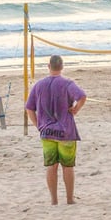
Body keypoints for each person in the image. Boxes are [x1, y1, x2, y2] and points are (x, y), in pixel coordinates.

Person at [25, 55, 87, 205]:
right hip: (66, 131)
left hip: (47, 131)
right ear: (62, 67)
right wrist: (76, 109)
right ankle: (69, 199)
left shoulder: (39, 85)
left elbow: (29, 108)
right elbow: (82, 96)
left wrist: (38, 125)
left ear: (49, 66)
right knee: (67, 165)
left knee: (51, 166)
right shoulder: (67, 83)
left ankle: (54, 200)